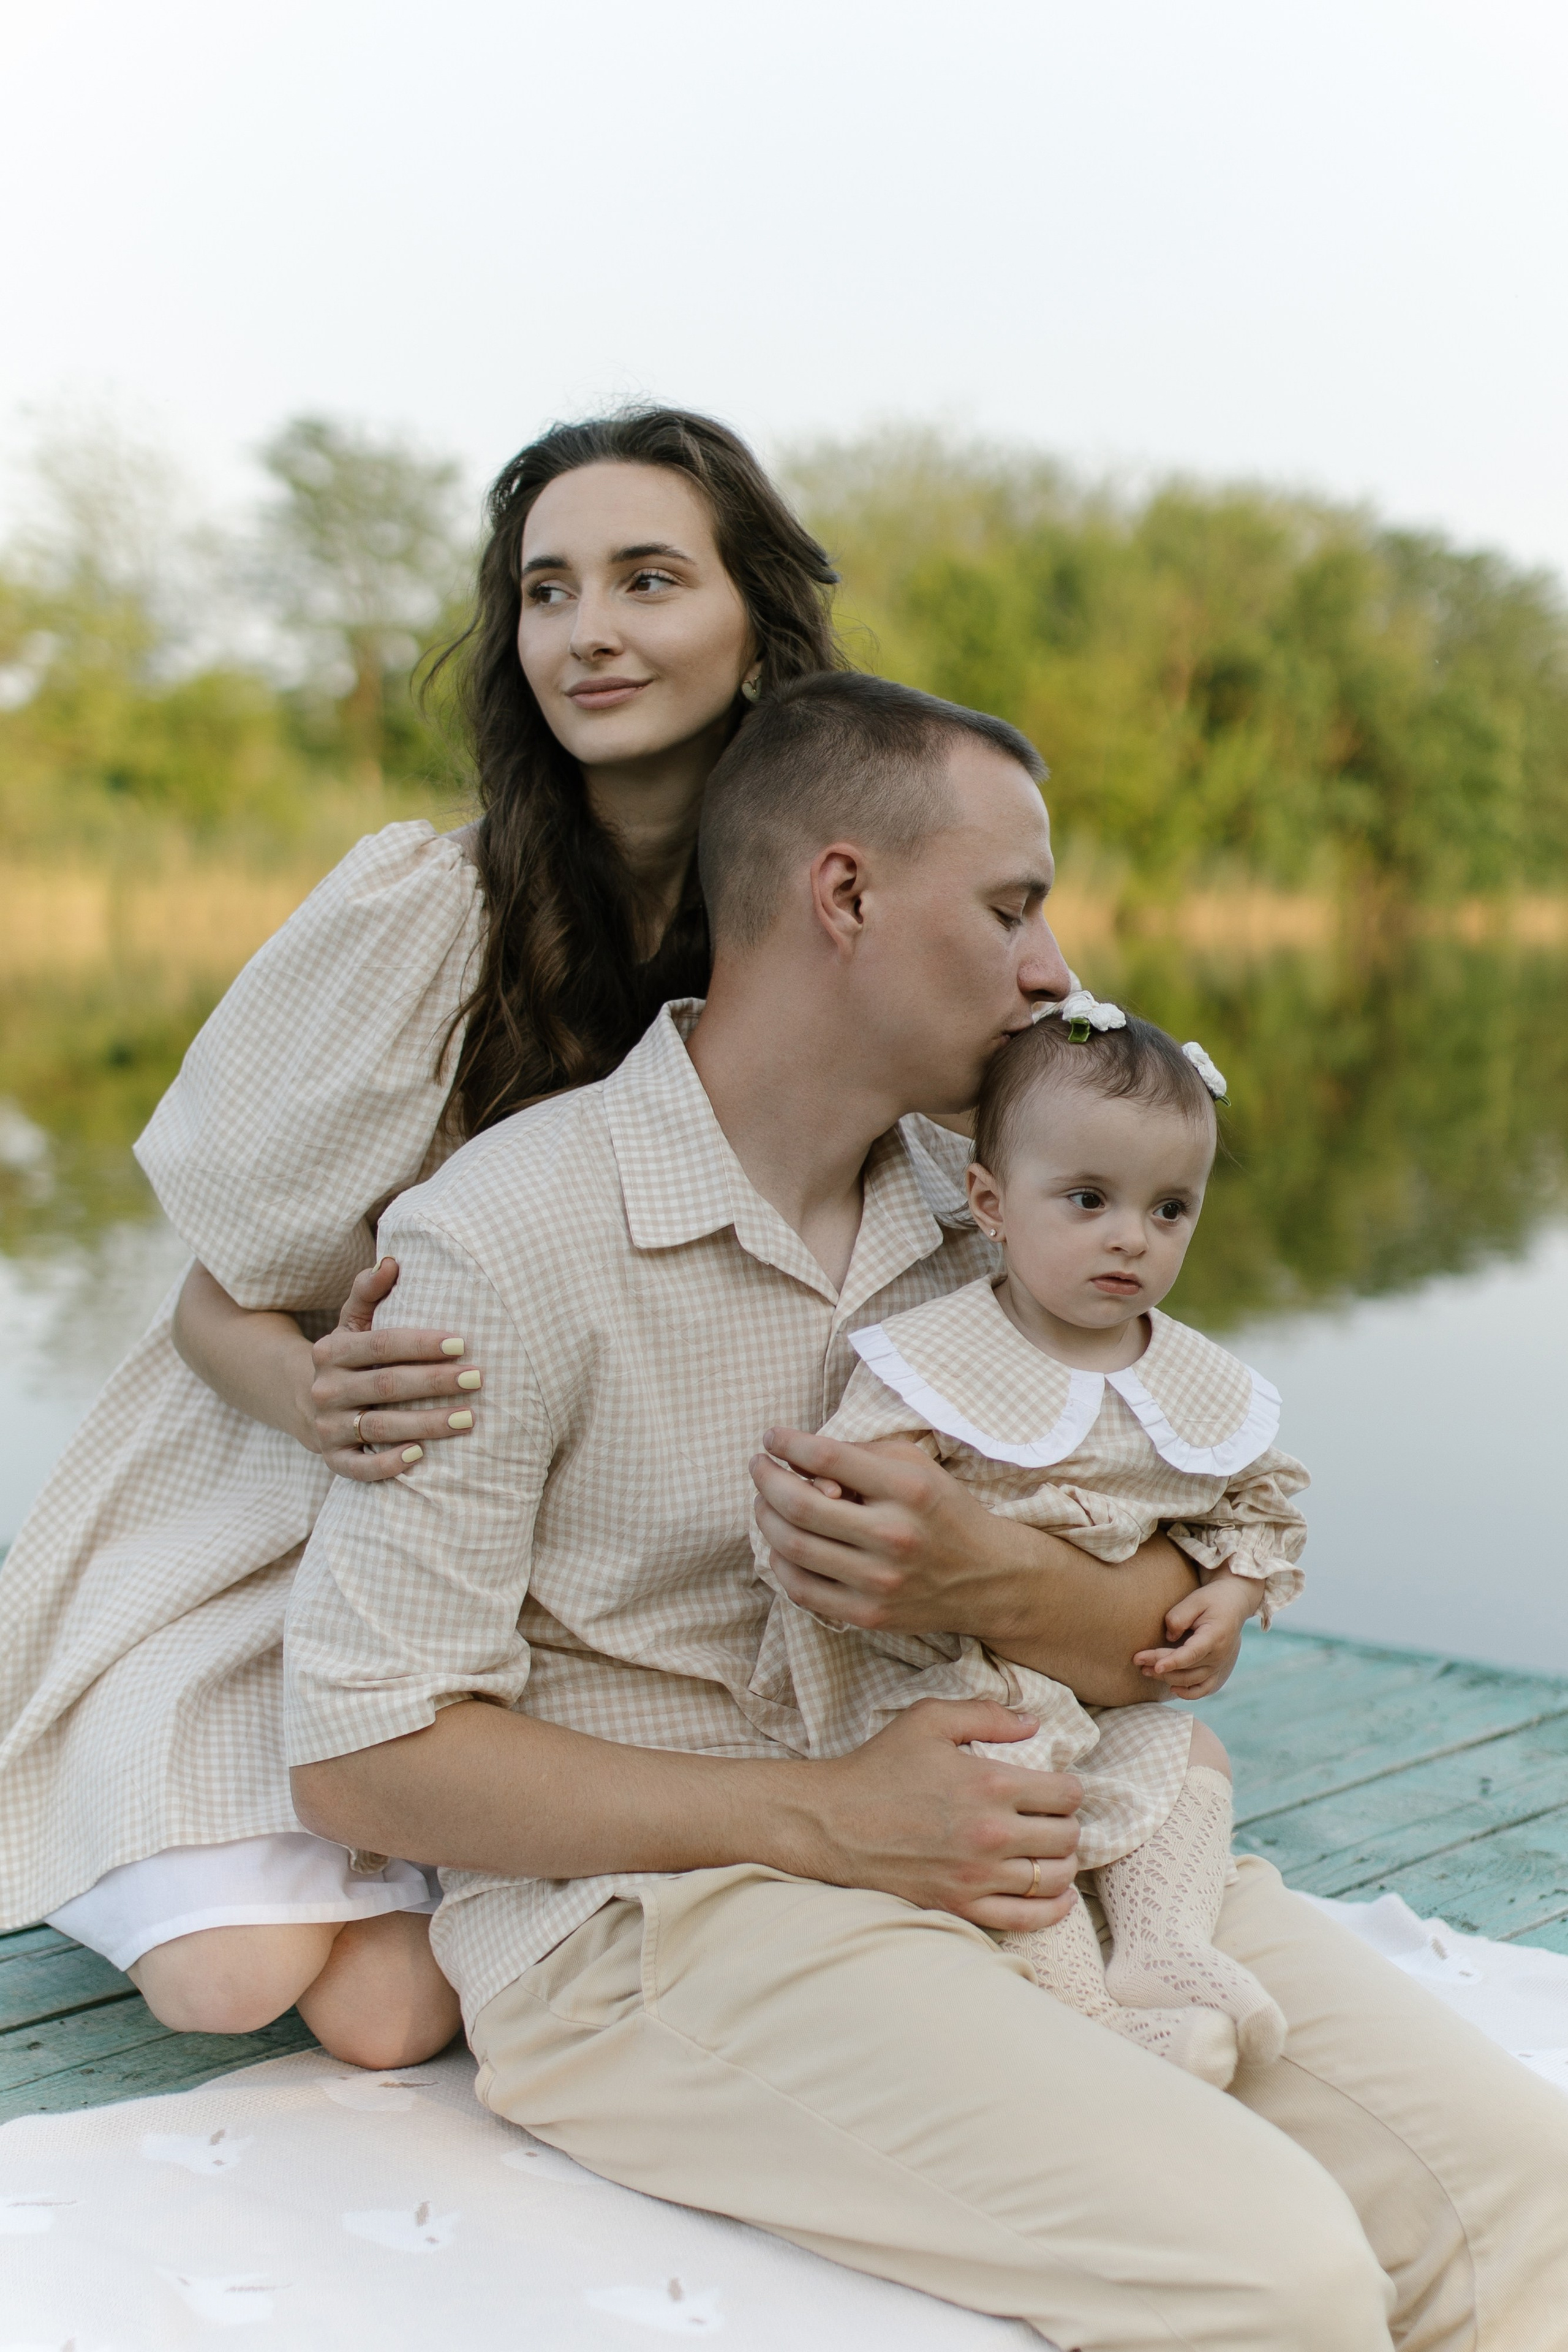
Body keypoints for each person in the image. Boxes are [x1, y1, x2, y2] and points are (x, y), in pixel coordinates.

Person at [287, 671, 1568, 2351]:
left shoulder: (1001, 1206)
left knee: (1527, 2195)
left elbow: (1167, 1624)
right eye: (1013, 907)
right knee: (1272, 2273)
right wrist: (829, 1818)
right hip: (657, 1924)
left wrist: (1003, 1580)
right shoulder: (503, 1239)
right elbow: (364, 1753)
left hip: (1051, 1846)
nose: (1052, 965)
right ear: (844, 895)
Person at [0, 405, 847, 2067]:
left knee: (393, 2020)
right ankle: (121, 1731)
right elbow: (213, 1308)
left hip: (582, 1570)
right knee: (232, 1983)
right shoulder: (430, 910)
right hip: (295, 1514)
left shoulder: (831, 921)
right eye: (547, 591)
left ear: (757, 618)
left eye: (649, 579)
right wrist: (309, 1393)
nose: (589, 631)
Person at [750, 1000, 1310, 2088]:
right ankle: (1083, 2006)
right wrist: (872, 1508)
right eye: (1089, 1201)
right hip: (941, 1680)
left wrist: (1235, 1592)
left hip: (1095, 1692)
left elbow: (1259, 1496)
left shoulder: (1183, 1372)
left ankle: (1160, 1948)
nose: (1130, 1238)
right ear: (992, 1204)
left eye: (1169, 1209)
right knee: (1001, 1785)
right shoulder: (939, 1356)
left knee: (1193, 1754)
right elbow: (847, 1500)